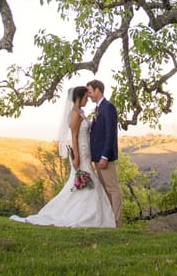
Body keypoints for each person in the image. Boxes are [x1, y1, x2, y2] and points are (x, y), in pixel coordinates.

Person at [10, 86, 115, 227]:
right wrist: (76, 157)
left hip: (86, 151)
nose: (87, 100)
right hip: (81, 153)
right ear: (79, 98)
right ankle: (83, 215)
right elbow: (74, 135)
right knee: (88, 184)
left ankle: (87, 214)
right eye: (85, 98)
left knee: (85, 184)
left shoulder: (81, 112)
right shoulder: (74, 113)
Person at [87, 79, 122, 227]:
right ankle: (108, 221)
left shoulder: (108, 108)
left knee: (113, 190)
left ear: (98, 91)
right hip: (97, 157)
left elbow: (110, 134)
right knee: (105, 190)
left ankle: (116, 222)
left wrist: (105, 156)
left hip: (104, 157)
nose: (88, 95)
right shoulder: (98, 108)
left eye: (90, 91)